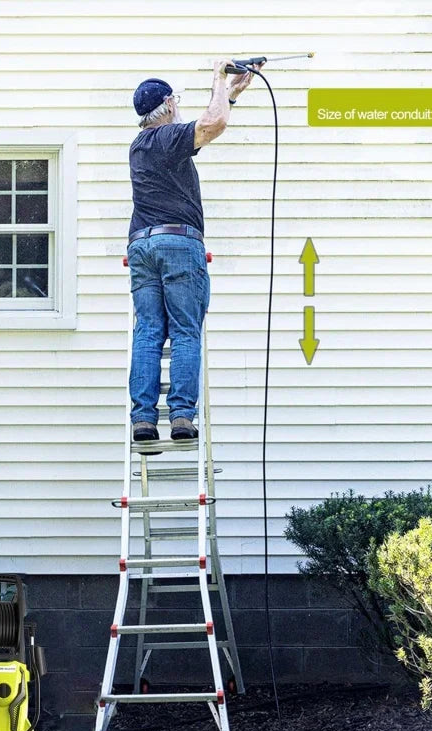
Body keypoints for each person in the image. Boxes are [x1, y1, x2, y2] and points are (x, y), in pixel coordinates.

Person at [127, 59, 259, 445]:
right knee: (185, 329)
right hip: (177, 244)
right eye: (177, 101)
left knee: (149, 331)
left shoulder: (142, 146)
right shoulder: (167, 138)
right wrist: (217, 77)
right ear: (168, 104)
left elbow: (207, 123)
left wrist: (230, 93)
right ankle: (182, 415)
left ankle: (143, 420)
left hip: (142, 246)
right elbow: (211, 126)